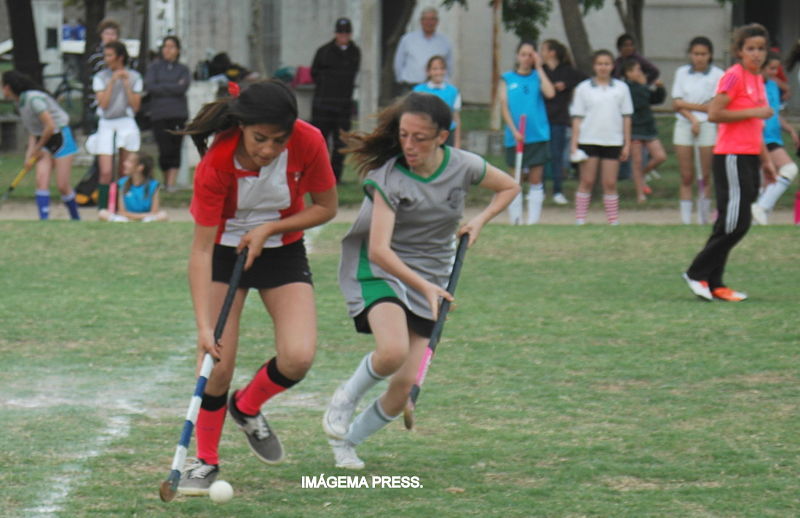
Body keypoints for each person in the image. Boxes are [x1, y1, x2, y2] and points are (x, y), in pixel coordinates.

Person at [321, 92, 518, 469]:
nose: (409, 145)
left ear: (443, 136)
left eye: (420, 138)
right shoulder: (389, 179)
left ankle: (348, 443)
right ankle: (343, 400)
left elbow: (510, 186)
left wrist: (479, 220)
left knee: (402, 388)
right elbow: (379, 250)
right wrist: (425, 286)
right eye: (404, 135)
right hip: (382, 272)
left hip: (432, 277)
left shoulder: (464, 166)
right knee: (392, 351)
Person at [176, 80, 337, 494]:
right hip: (223, 253)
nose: (268, 149)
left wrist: (272, 228)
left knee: (299, 356)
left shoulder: (310, 141)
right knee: (218, 363)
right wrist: (202, 326)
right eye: (259, 138)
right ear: (242, 126)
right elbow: (199, 252)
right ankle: (206, 461)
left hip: (281, 248)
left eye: (278, 140)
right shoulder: (216, 163)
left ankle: (246, 407)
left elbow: (326, 207)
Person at [682, 23, 776, 303]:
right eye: (750, 49)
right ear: (739, 51)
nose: (756, 54)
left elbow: (754, 125)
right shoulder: (734, 77)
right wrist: (756, 110)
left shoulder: (756, 77)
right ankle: (696, 272)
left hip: (748, 157)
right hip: (731, 156)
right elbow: (714, 113)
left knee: (728, 222)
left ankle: (715, 284)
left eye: (760, 48)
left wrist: (766, 160)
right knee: (737, 223)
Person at [1, 71, 80, 220]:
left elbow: (50, 126)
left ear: (8, 87)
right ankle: (44, 220)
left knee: (62, 185)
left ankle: (76, 219)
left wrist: (37, 148)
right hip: (43, 140)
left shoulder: (34, 99)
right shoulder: (19, 104)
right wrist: (29, 154)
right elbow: (34, 131)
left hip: (61, 137)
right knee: (41, 180)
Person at [570, 50, 633, 225]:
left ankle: (613, 219)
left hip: (612, 140)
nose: (603, 67)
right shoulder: (584, 88)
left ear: (613, 66)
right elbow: (577, 117)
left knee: (610, 182)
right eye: (599, 64)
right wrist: (574, 144)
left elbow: (626, 116)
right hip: (589, 139)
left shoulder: (621, 88)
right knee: (587, 180)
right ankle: (580, 218)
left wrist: (626, 143)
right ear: (594, 66)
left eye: (606, 64)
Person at [499, 41, 555, 225]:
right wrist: (514, 131)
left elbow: (550, 93)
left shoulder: (537, 77)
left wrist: (539, 68)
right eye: (523, 54)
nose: (526, 58)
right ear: (517, 56)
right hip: (515, 136)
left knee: (535, 177)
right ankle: (516, 219)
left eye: (530, 55)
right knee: (515, 179)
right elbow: (504, 107)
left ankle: (533, 220)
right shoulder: (507, 78)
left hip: (537, 134)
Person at [671, 36, 726, 224]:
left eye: (703, 54)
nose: (700, 58)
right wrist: (693, 117)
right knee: (686, 175)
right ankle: (686, 220)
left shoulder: (718, 74)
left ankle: (703, 218)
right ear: (690, 54)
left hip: (708, 125)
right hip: (685, 123)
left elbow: (713, 106)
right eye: (696, 54)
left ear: (710, 55)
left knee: (705, 174)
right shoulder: (681, 73)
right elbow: (676, 103)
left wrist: (687, 105)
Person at [86, 41, 143, 211]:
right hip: (107, 123)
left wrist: (126, 84)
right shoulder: (101, 77)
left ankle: (122, 206)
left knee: (124, 169)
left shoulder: (134, 77)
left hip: (126, 121)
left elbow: (135, 106)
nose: (106, 59)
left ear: (120, 57)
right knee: (105, 171)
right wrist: (111, 82)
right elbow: (103, 104)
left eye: (110, 55)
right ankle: (103, 208)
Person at [310, 17, 361, 183]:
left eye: (346, 33)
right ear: (336, 33)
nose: (343, 36)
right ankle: (317, 175)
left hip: (343, 105)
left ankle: (335, 177)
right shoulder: (323, 51)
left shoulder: (355, 52)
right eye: (340, 32)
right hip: (323, 104)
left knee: (341, 143)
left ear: (350, 34)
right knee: (320, 141)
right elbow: (314, 73)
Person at [751, 52, 799, 225]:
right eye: (771, 68)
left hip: (774, 137)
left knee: (767, 180)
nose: (774, 72)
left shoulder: (772, 86)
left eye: (776, 68)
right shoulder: (754, 85)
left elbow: (775, 115)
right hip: (761, 137)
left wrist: (790, 130)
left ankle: (758, 217)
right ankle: (761, 208)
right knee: (789, 169)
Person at [541, 39, 587, 205]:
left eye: (544, 49)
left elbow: (584, 80)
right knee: (541, 156)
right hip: (541, 118)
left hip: (559, 118)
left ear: (552, 52)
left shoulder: (567, 71)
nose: (541, 53)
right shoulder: (541, 70)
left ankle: (557, 190)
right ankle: (540, 189)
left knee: (556, 156)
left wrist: (566, 85)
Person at [144, 36, 191, 191]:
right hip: (159, 114)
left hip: (178, 113)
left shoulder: (183, 69)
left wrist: (163, 87)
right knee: (164, 148)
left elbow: (182, 88)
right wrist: (172, 86)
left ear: (177, 50)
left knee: (175, 147)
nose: (168, 50)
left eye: (171, 47)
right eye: (165, 46)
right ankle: (165, 181)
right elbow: (151, 86)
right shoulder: (154, 67)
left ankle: (171, 182)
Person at [622, 58, 666, 204]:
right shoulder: (626, 88)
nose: (641, 73)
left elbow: (654, 99)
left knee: (660, 156)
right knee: (637, 161)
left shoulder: (642, 87)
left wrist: (660, 89)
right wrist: (644, 86)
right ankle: (640, 194)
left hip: (648, 127)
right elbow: (639, 102)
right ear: (628, 73)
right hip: (635, 127)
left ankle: (640, 176)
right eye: (637, 70)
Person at [393, 7, 453, 95]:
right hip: (410, 86)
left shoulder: (445, 42)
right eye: (426, 19)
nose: (429, 22)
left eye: (432, 19)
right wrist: (401, 79)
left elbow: (449, 65)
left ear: (437, 21)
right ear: (421, 21)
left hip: (435, 88)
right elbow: (398, 62)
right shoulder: (407, 39)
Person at [98, 152, 168, 222]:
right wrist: (139, 217)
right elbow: (121, 211)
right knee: (103, 213)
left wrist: (139, 217)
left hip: (145, 218)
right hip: (128, 218)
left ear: (140, 167)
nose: (124, 164)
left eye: (129, 162)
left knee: (163, 215)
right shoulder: (122, 183)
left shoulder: (153, 185)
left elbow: (154, 212)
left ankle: (143, 221)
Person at [412, 55, 461, 148]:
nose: (438, 72)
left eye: (441, 69)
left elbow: (456, 118)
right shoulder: (418, 91)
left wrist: (457, 142)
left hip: (447, 134)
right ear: (428, 72)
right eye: (435, 69)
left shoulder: (453, 91)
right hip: (425, 133)